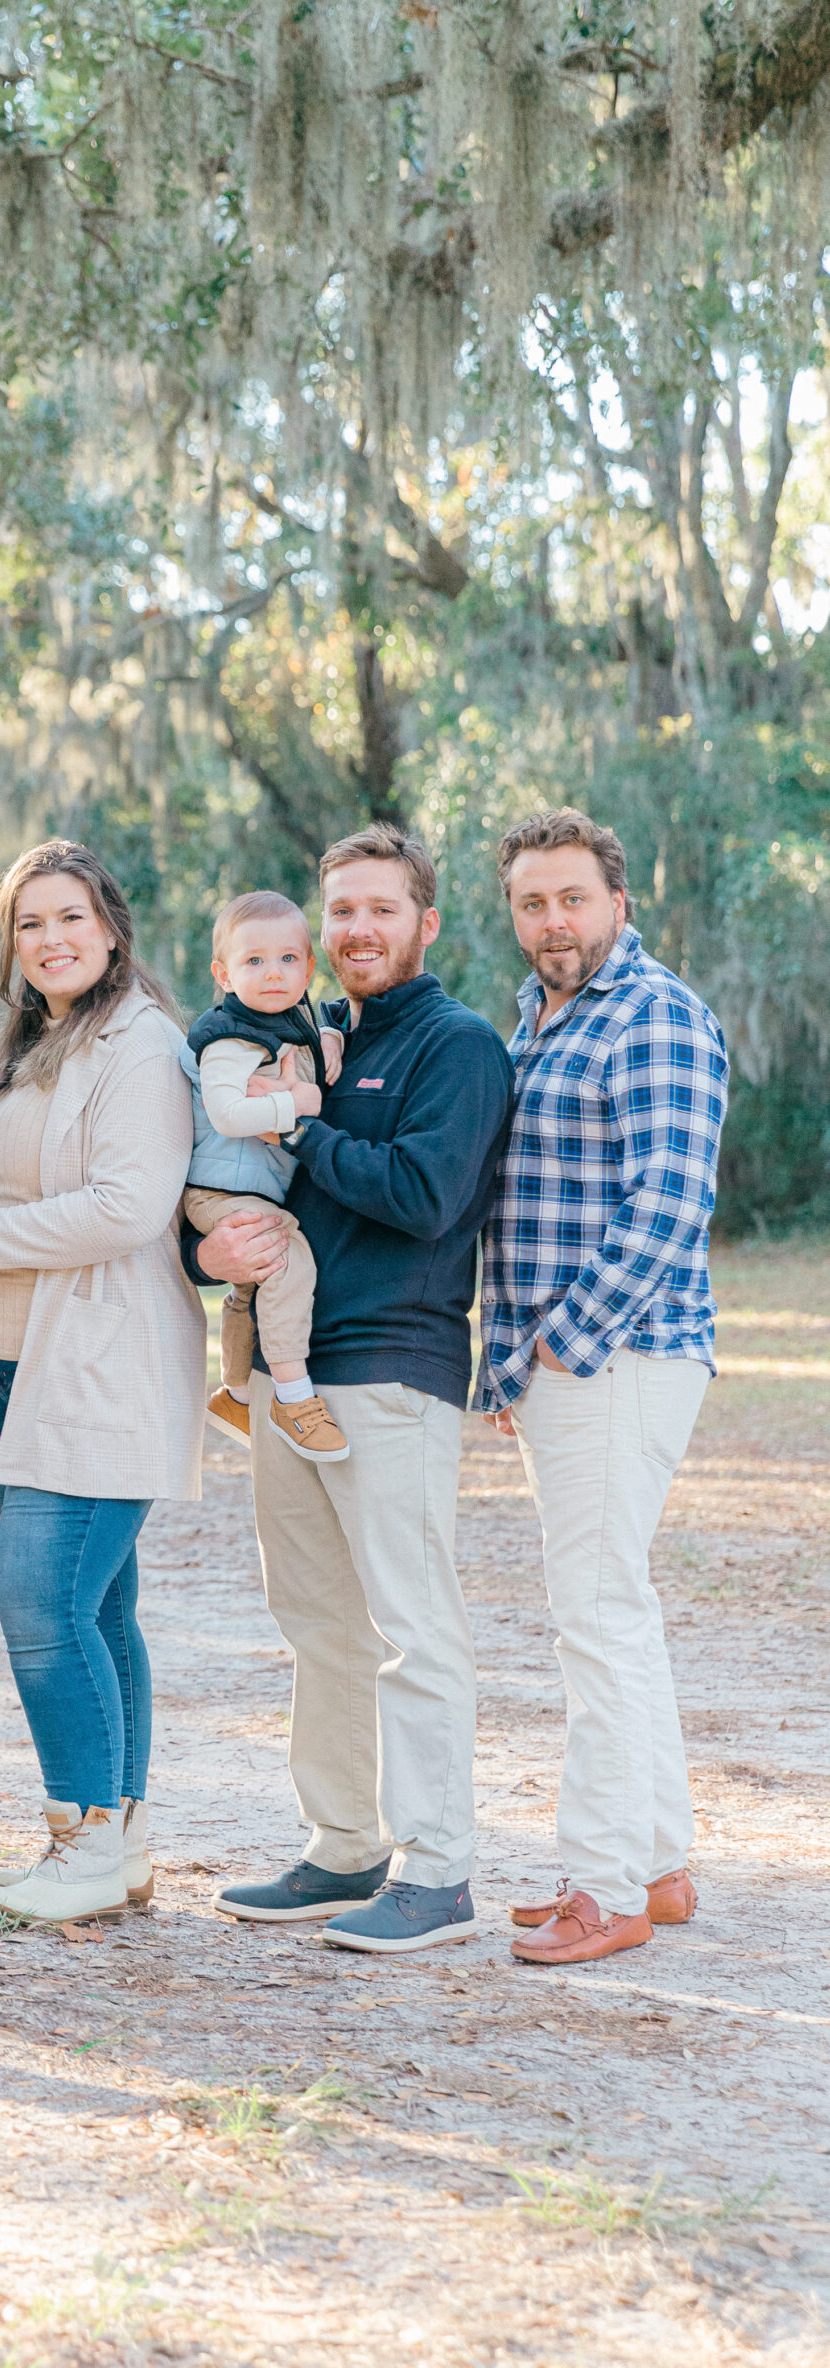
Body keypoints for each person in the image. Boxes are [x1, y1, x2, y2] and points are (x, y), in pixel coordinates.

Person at [190, 825, 513, 1954]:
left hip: (393, 1371)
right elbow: (251, 1200)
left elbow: (424, 1195)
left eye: (381, 908)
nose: (357, 930)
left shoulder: (458, 1047)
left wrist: (308, 1123)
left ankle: (440, 1872)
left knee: (410, 1627)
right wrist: (209, 1253)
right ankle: (343, 1848)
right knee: (317, 1621)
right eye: (341, 913)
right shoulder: (310, 1039)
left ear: (426, 921)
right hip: (295, 1378)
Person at [0, 839, 207, 1925]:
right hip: (10, 1363)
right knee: (102, 1607)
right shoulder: (28, 1046)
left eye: (70, 918)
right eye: (29, 924)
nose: (51, 939)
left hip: (104, 1360)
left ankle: (81, 1837)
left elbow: (128, 1206)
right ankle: (124, 1839)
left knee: (40, 1599)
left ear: (111, 928)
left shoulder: (142, 1044)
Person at [478, 809, 728, 1968]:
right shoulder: (538, 1017)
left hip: (620, 1355)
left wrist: (564, 1344)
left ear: (617, 902)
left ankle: (605, 1887)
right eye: (532, 901)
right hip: (564, 1361)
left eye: (571, 897)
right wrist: (509, 1354)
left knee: (594, 1617)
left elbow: (669, 1203)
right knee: (615, 1606)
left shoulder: (656, 1013)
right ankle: (659, 1864)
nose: (552, 920)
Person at [180, 887, 347, 1455]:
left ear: (309, 967)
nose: (272, 974)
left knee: (249, 1288)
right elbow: (228, 1114)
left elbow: (316, 1036)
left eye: (287, 959)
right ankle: (293, 1397)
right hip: (218, 1188)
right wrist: (297, 1103)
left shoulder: (291, 1022)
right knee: (286, 1257)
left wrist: (330, 1036)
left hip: (246, 1185)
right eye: (254, 961)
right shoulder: (228, 1039)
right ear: (224, 975)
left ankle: (234, 1393)